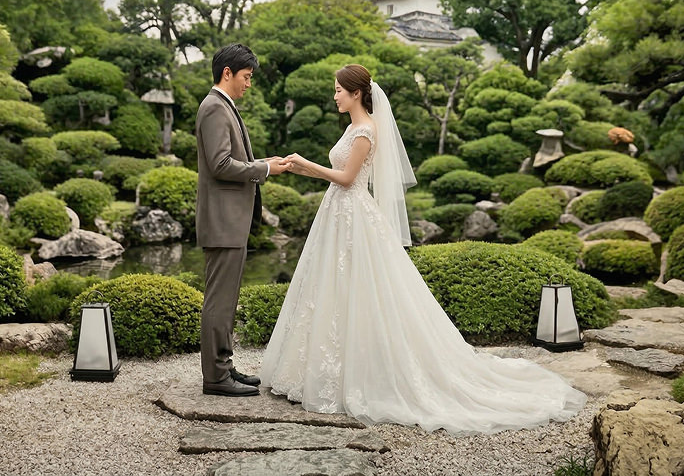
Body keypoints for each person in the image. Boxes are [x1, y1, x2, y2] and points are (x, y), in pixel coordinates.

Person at [259, 64, 586, 433]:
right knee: (335, 289)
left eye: (338, 90)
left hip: (353, 214)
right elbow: (335, 175)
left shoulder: (366, 130)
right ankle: (326, 368)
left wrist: (307, 163)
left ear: (355, 93)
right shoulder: (352, 128)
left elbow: (348, 179)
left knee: (360, 289)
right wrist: (294, 167)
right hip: (337, 213)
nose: (334, 96)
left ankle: (363, 375)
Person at [195, 43, 289, 397]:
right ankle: (216, 377)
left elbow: (233, 160)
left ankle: (224, 366)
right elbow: (220, 165)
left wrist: (266, 163)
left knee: (226, 299)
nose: (249, 84)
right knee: (219, 302)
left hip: (229, 221)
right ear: (227, 73)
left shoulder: (222, 106)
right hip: (222, 221)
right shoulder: (215, 108)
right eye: (247, 77)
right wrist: (263, 168)